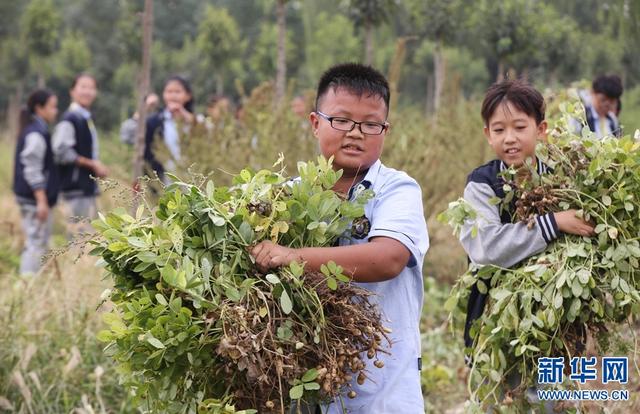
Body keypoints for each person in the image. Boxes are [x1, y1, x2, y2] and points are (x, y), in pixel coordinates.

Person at [251, 63, 429, 413]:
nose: (356, 133)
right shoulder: (287, 198)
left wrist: (291, 256)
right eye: (342, 120)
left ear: (385, 130)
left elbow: (388, 258)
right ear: (316, 123)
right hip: (304, 388)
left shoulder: (396, 190)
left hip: (382, 391)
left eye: (370, 124)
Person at [459, 79, 595, 410]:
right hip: (495, 325)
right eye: (499, 129)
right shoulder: (482, 184)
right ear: (487, 134)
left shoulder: (563, 182)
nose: (510, 138)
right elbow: (486, 247)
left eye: (520, 126)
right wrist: (554, 223)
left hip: (555, 325)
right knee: (503, 401)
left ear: (541, 129)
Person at [13, 89, 60, 275]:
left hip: (30, 197)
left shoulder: (35, 130)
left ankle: (32, 282)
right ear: (39, 108)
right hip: (34, 200)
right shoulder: (36, 134)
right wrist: (41, 200)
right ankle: (28, 284)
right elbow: (32, 168)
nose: (55, 111)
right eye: (52, 107)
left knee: (35, 241)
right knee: (36, 242)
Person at [52, 73, 108, 229]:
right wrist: (92, 164)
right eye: (83, 87)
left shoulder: (85, 117)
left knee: (88, 236)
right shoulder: (70, 119)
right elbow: (60, 150)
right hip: (74, 188)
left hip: (86, 188)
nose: (87, 92)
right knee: (78, 237)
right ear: (72, 91)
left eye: (91, 88)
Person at [144, 75, 194, 183]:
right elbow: (129, 134)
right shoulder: (155, 121)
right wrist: (145, 108)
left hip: (190, 178)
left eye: (177, 92)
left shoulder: (194, 121)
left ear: (188, 96)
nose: (173, 96)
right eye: (169, 92)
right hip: (162, 180)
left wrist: (184, 115)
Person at [576, 75, 623, 139]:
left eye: (611, 102)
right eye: (603, 99)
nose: (606, 104)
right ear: (592, 93)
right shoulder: (581, 117)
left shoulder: (612, 120)